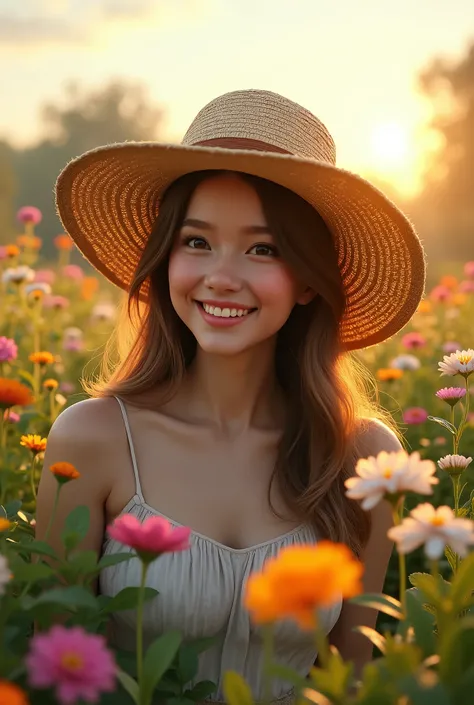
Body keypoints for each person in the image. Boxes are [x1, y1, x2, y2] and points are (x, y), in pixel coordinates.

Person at [36, 89, 426, 703]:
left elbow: (352, 681)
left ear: (306, 281)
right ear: (165, 258)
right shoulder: (95, 439)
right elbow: (52, 672)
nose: (222, 275)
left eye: (263, 248)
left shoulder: (361, 461)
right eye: (196, 241)